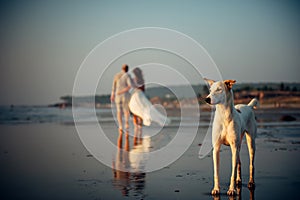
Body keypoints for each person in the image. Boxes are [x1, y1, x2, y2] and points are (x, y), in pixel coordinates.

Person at [111, 64, 132, 133]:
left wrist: (112, 95)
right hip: (125, 95)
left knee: (119, 111)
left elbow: (113, 87)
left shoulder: (116, 75)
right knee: (126, 111)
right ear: (127, 69)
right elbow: (129, 86)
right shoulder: (127, 75)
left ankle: (120, 126)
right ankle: (126, 124)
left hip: (117, 95)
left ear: (122, 68)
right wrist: (122, 91)